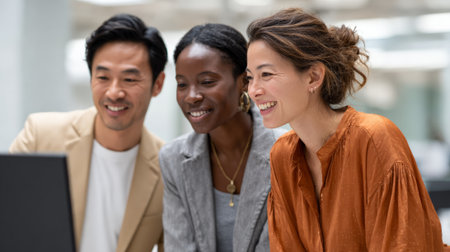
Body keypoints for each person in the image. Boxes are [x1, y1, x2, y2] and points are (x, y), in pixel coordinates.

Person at [246, 8, 449, 251]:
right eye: (250, 77)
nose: (253, 90)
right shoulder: (282, 155)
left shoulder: (374, 138)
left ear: (313, 77)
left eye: (266, 74)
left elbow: (404, 244)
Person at [9, 14, 167, 252]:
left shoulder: (170, 166)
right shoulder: (40, 136)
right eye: (103, 77)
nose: (114, 92)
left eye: (129, 79)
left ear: (158, 84)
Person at [159, 23, 284, 252]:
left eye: (207, 82)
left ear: (244, 82)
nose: (191, 96)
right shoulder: (173, 159)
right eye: (182, 84)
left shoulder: (286, 154)